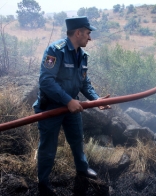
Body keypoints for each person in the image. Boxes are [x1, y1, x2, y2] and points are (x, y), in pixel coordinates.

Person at [32, 16, 110, 195]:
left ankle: (82, 169)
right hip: (51, 108)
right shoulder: (55, 50)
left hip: (72, 107)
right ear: (78, 33)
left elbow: (84, 83)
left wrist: (97, 100)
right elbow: (46, 81)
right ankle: (43, 183)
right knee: (48, 146)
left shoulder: (82, 55)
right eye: (88, 33)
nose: (89, 38)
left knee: (77, 140)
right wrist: (68, 100)